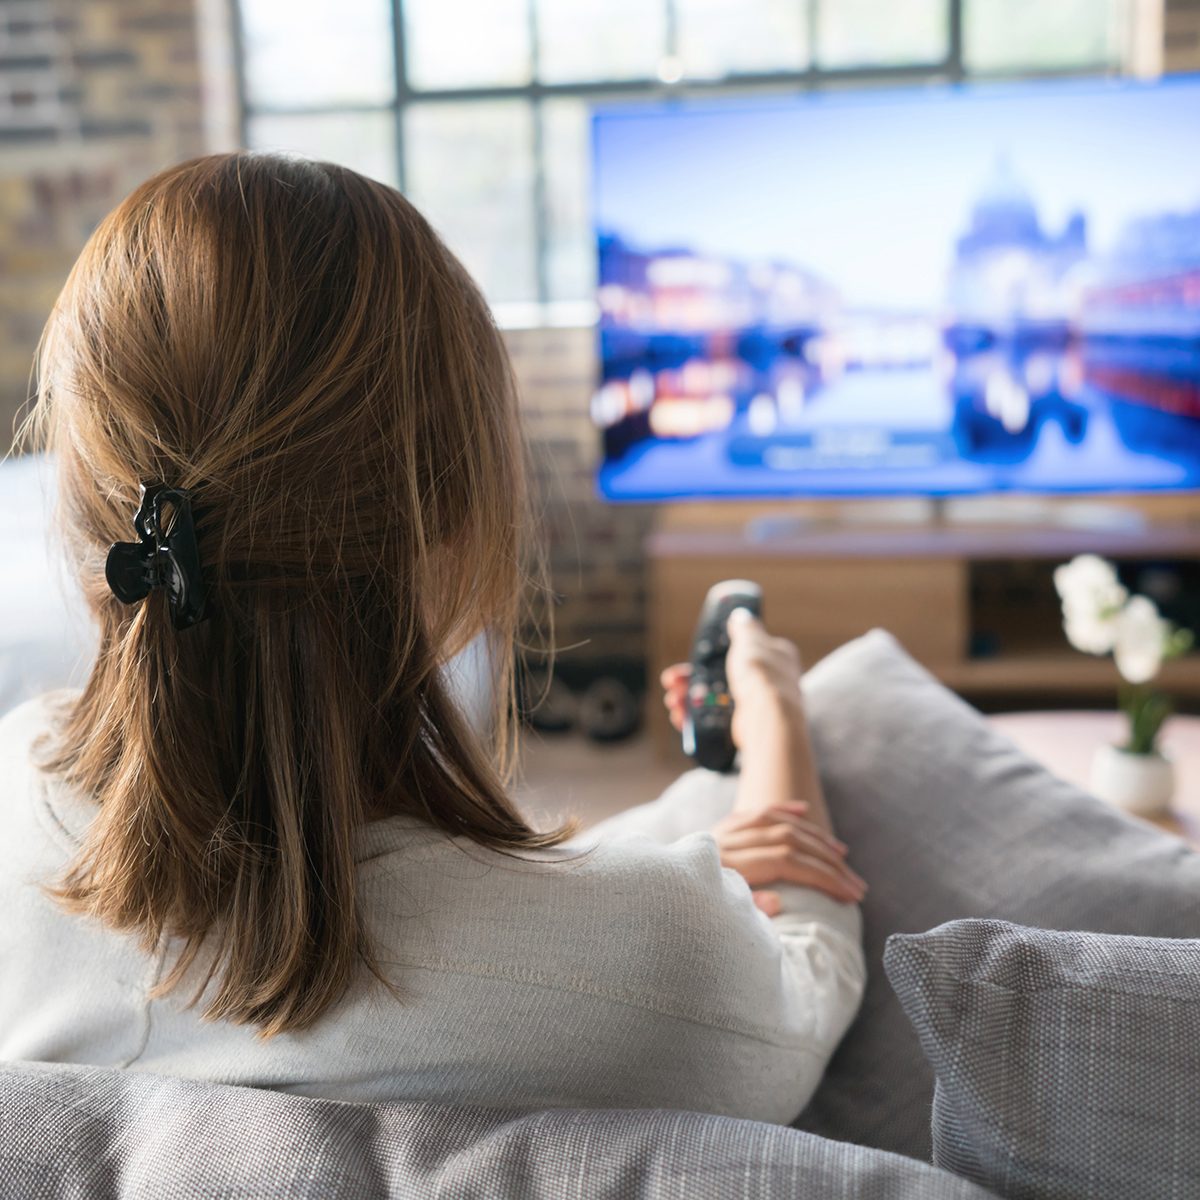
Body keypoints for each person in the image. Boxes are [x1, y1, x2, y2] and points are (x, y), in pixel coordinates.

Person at [0, 152, 865, 1126]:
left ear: (95, 504)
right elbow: (809, 990)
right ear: (449, 517)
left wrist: (671, 850)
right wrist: (778, 711)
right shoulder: (655, 957)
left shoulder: (20, 785)